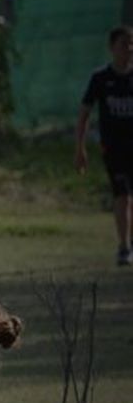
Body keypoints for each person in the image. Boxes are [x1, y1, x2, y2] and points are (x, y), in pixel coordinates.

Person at [74, 25, 133, 266]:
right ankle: (123, 246)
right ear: (112, 48)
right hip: (115, 148)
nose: (129, 49)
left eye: (132, 44)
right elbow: (84, 113)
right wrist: (80, 148)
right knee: (122, 196)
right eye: (124, 44)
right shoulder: (101, 79)